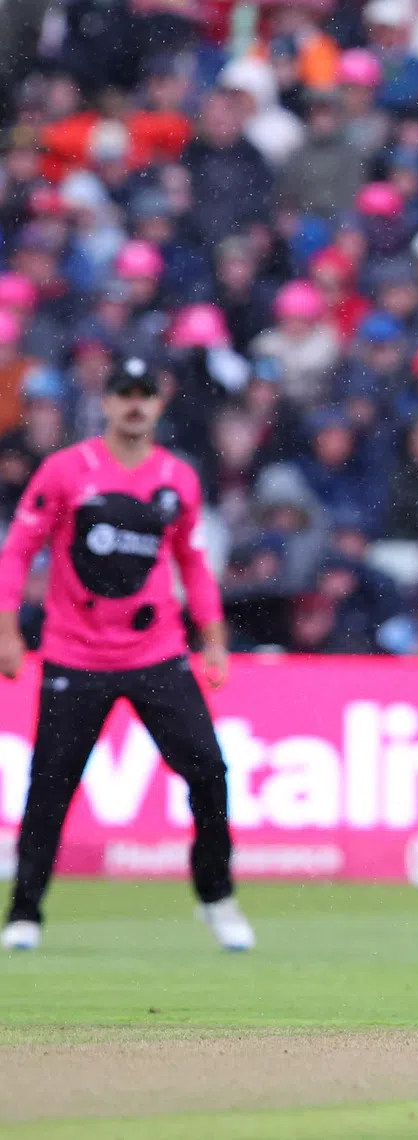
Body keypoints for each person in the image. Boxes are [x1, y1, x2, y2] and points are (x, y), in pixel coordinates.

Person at [0, 357, 254, 953]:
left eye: (145, 394)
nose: (135, 404)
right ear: (108, 403)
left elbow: (194, 563)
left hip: (156, 654)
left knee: (209, 773)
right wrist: (8, 633)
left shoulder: (178, 477)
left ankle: (216, 897)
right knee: (50, 786)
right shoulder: (67, 470)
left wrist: (213, 639)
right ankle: (25, 913)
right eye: (124, 393)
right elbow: (18, 551)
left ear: (159, 404)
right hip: (75, 653)